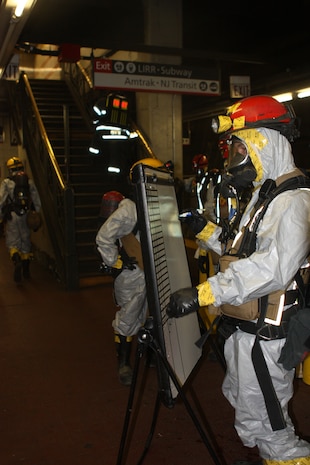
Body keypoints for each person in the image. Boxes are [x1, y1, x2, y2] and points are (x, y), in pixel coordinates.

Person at [167, 95, 310, 465]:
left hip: (266, 334)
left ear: (267, 142)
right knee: (246, 404)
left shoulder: (294, 201)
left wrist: (205, 291)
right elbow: (241, 249)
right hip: (244, 326)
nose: (235, 157)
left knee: (271, 424)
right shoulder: (265, 195)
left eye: (240, 146)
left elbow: (271, 268)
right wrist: (205, 231)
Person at [96, 157, 164, 386]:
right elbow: (104, 237)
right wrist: (115, 262)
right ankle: (123, 364)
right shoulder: (128, 210)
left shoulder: (153, 204)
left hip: (149, 272)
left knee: (150, 314)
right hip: (131, 275)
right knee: (128, 317)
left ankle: (151, 356)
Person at [0, 157, 41, 283]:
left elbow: (0, 200)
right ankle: (26, 270)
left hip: (12, 215)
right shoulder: (29, 182)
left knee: (13, 242)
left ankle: (16, 260)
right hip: (25, 214)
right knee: (25, 241)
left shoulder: (7, 182)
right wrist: (36, 213)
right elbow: (37, 200)